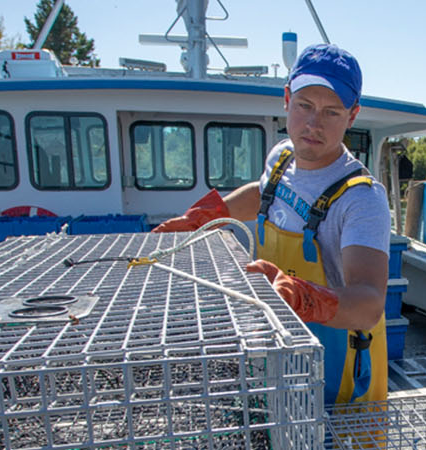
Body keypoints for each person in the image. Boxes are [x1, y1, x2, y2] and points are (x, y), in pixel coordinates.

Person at [151, 44, 391, 405]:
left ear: (352, 115)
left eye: (331, 112)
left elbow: (369, 303)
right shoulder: (282, 156)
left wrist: (301, 296)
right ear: (286, 99)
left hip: (338, 371)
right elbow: (264, 193)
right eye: (305, 106)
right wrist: (205, 216)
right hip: (277, 345)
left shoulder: (362, 199)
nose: (313, 124)